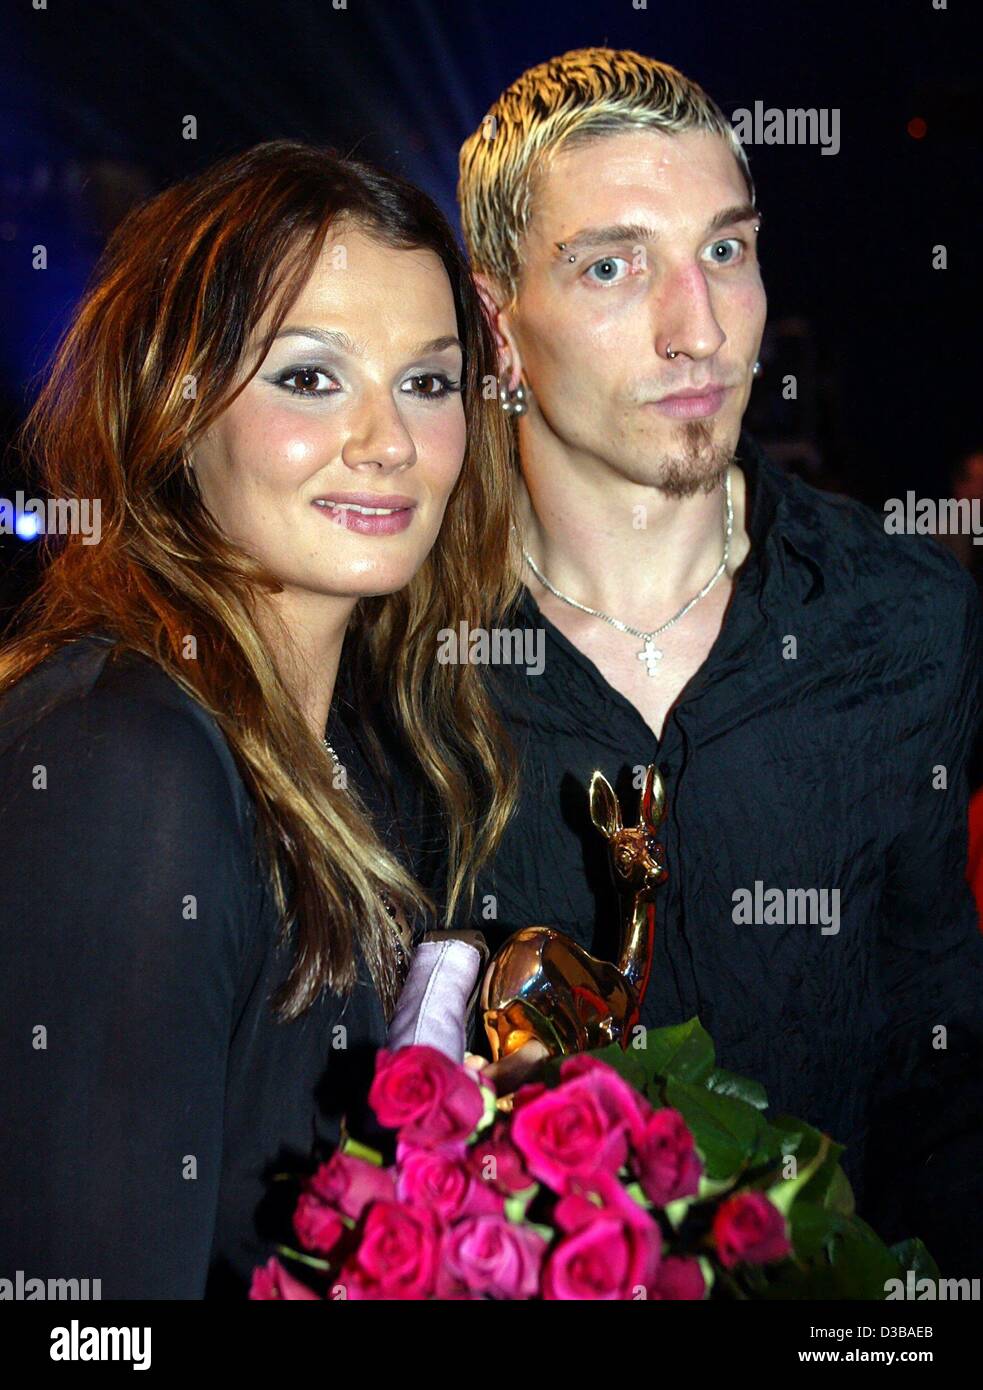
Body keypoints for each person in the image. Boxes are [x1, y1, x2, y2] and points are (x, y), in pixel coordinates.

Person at [407, 47, 983, 1275]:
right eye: (612, 265)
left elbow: (944, 1083)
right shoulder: (393, 663)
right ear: (496, 320)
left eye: (723, 248)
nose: (701, 330)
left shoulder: (906, 622)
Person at [0, 141, 520, 1298]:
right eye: (309, 376)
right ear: (174, 408)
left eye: (428, 383)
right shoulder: (127, 763)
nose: (388, 442)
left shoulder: (350, 757)